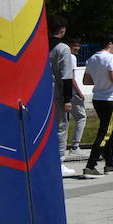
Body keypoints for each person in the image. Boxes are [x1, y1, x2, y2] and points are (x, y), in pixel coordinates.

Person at [82, 35, 113, 178]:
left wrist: (100, 80)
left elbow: (86, 80)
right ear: (110, 44)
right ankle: (90, 166)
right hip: (110, 99)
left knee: (108, 129)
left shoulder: (92, 58)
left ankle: (109, 164)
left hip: (98, 98)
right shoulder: (110, 58)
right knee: (105, 133)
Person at [48, 18, 78, 176]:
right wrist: (68, 99)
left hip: (41, 93)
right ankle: (58, 162)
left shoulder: (41, 46)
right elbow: (66, 76)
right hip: (58, 94)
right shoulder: (63, 48)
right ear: (62, 30)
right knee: (61, 128)